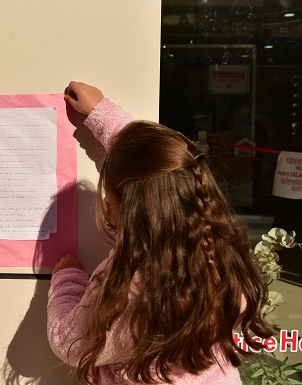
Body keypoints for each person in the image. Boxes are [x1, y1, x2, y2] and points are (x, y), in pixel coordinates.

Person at [47, 81, 272, 384]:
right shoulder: (218, 253)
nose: (105, 204)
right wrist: (103, 115)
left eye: (109, 199)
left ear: (130, 209)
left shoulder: (132, 289)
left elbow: (71, 343)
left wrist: (68, 280)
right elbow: (163, 168)